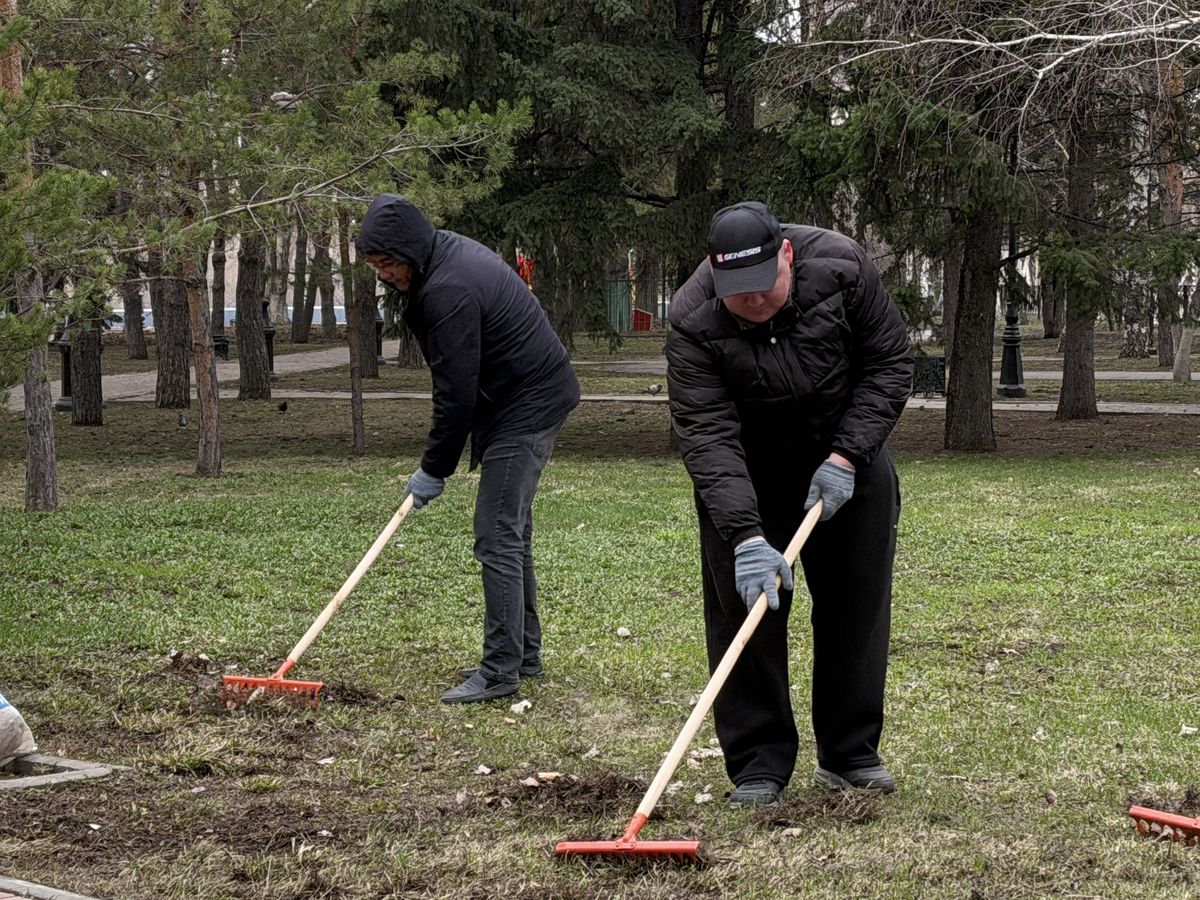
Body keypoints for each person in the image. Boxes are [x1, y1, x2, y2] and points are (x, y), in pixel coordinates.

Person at [666, 201, 912, 804]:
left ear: (786, 254)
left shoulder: (844, 266)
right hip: (750, 469)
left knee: (855, 604)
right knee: (742, 611)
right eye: (737, 292)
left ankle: (850, 752)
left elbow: (889, 363)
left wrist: (848, 456)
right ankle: (758, 763)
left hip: (845, 453)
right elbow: (706, 433)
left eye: (762, 287)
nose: (751, 303)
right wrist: (746, 536)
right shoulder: (693, 317)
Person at [356, 194, 580, 704]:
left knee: (497, 534)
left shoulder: (449, 288)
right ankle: (523, 656)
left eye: (388, 263)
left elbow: (455, 390)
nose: (385, 275)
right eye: (376, 266)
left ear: (410, 250)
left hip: (529, 404)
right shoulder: (443, 257)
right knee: (511, 533)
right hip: (520, 398)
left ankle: (501, 670)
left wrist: (434, 467)